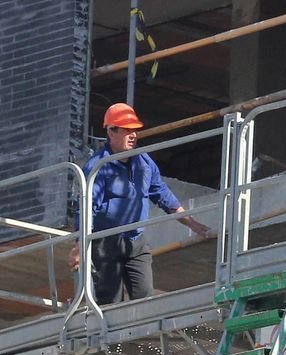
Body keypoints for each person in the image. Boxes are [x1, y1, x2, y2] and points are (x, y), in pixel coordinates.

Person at [74, 102, 209, 306]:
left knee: (145, 299)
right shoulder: (98, 167)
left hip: (135, 241)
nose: (133, 135)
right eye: (127, 130)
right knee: (110, 302)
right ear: (111, 132)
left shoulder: (143, 162)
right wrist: (79, 245)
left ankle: (138, 336)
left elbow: (162, 194)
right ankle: (112, 338)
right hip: (105, 243)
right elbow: (86, 208)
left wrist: (193, 224)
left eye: (135, 130)